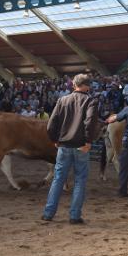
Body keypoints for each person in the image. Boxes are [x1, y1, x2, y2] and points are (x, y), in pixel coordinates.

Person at [42, 74, 97, 224]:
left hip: (64, 145)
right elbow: (90, 122)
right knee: (80, 180)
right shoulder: (90, 100)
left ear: (74, 85)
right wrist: (88, 141)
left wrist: (54, 139)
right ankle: (74, 216)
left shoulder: (62, 100)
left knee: (58, 179)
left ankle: (48, 213)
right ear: (88, 86)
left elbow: (51, 124)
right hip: (81, 146)